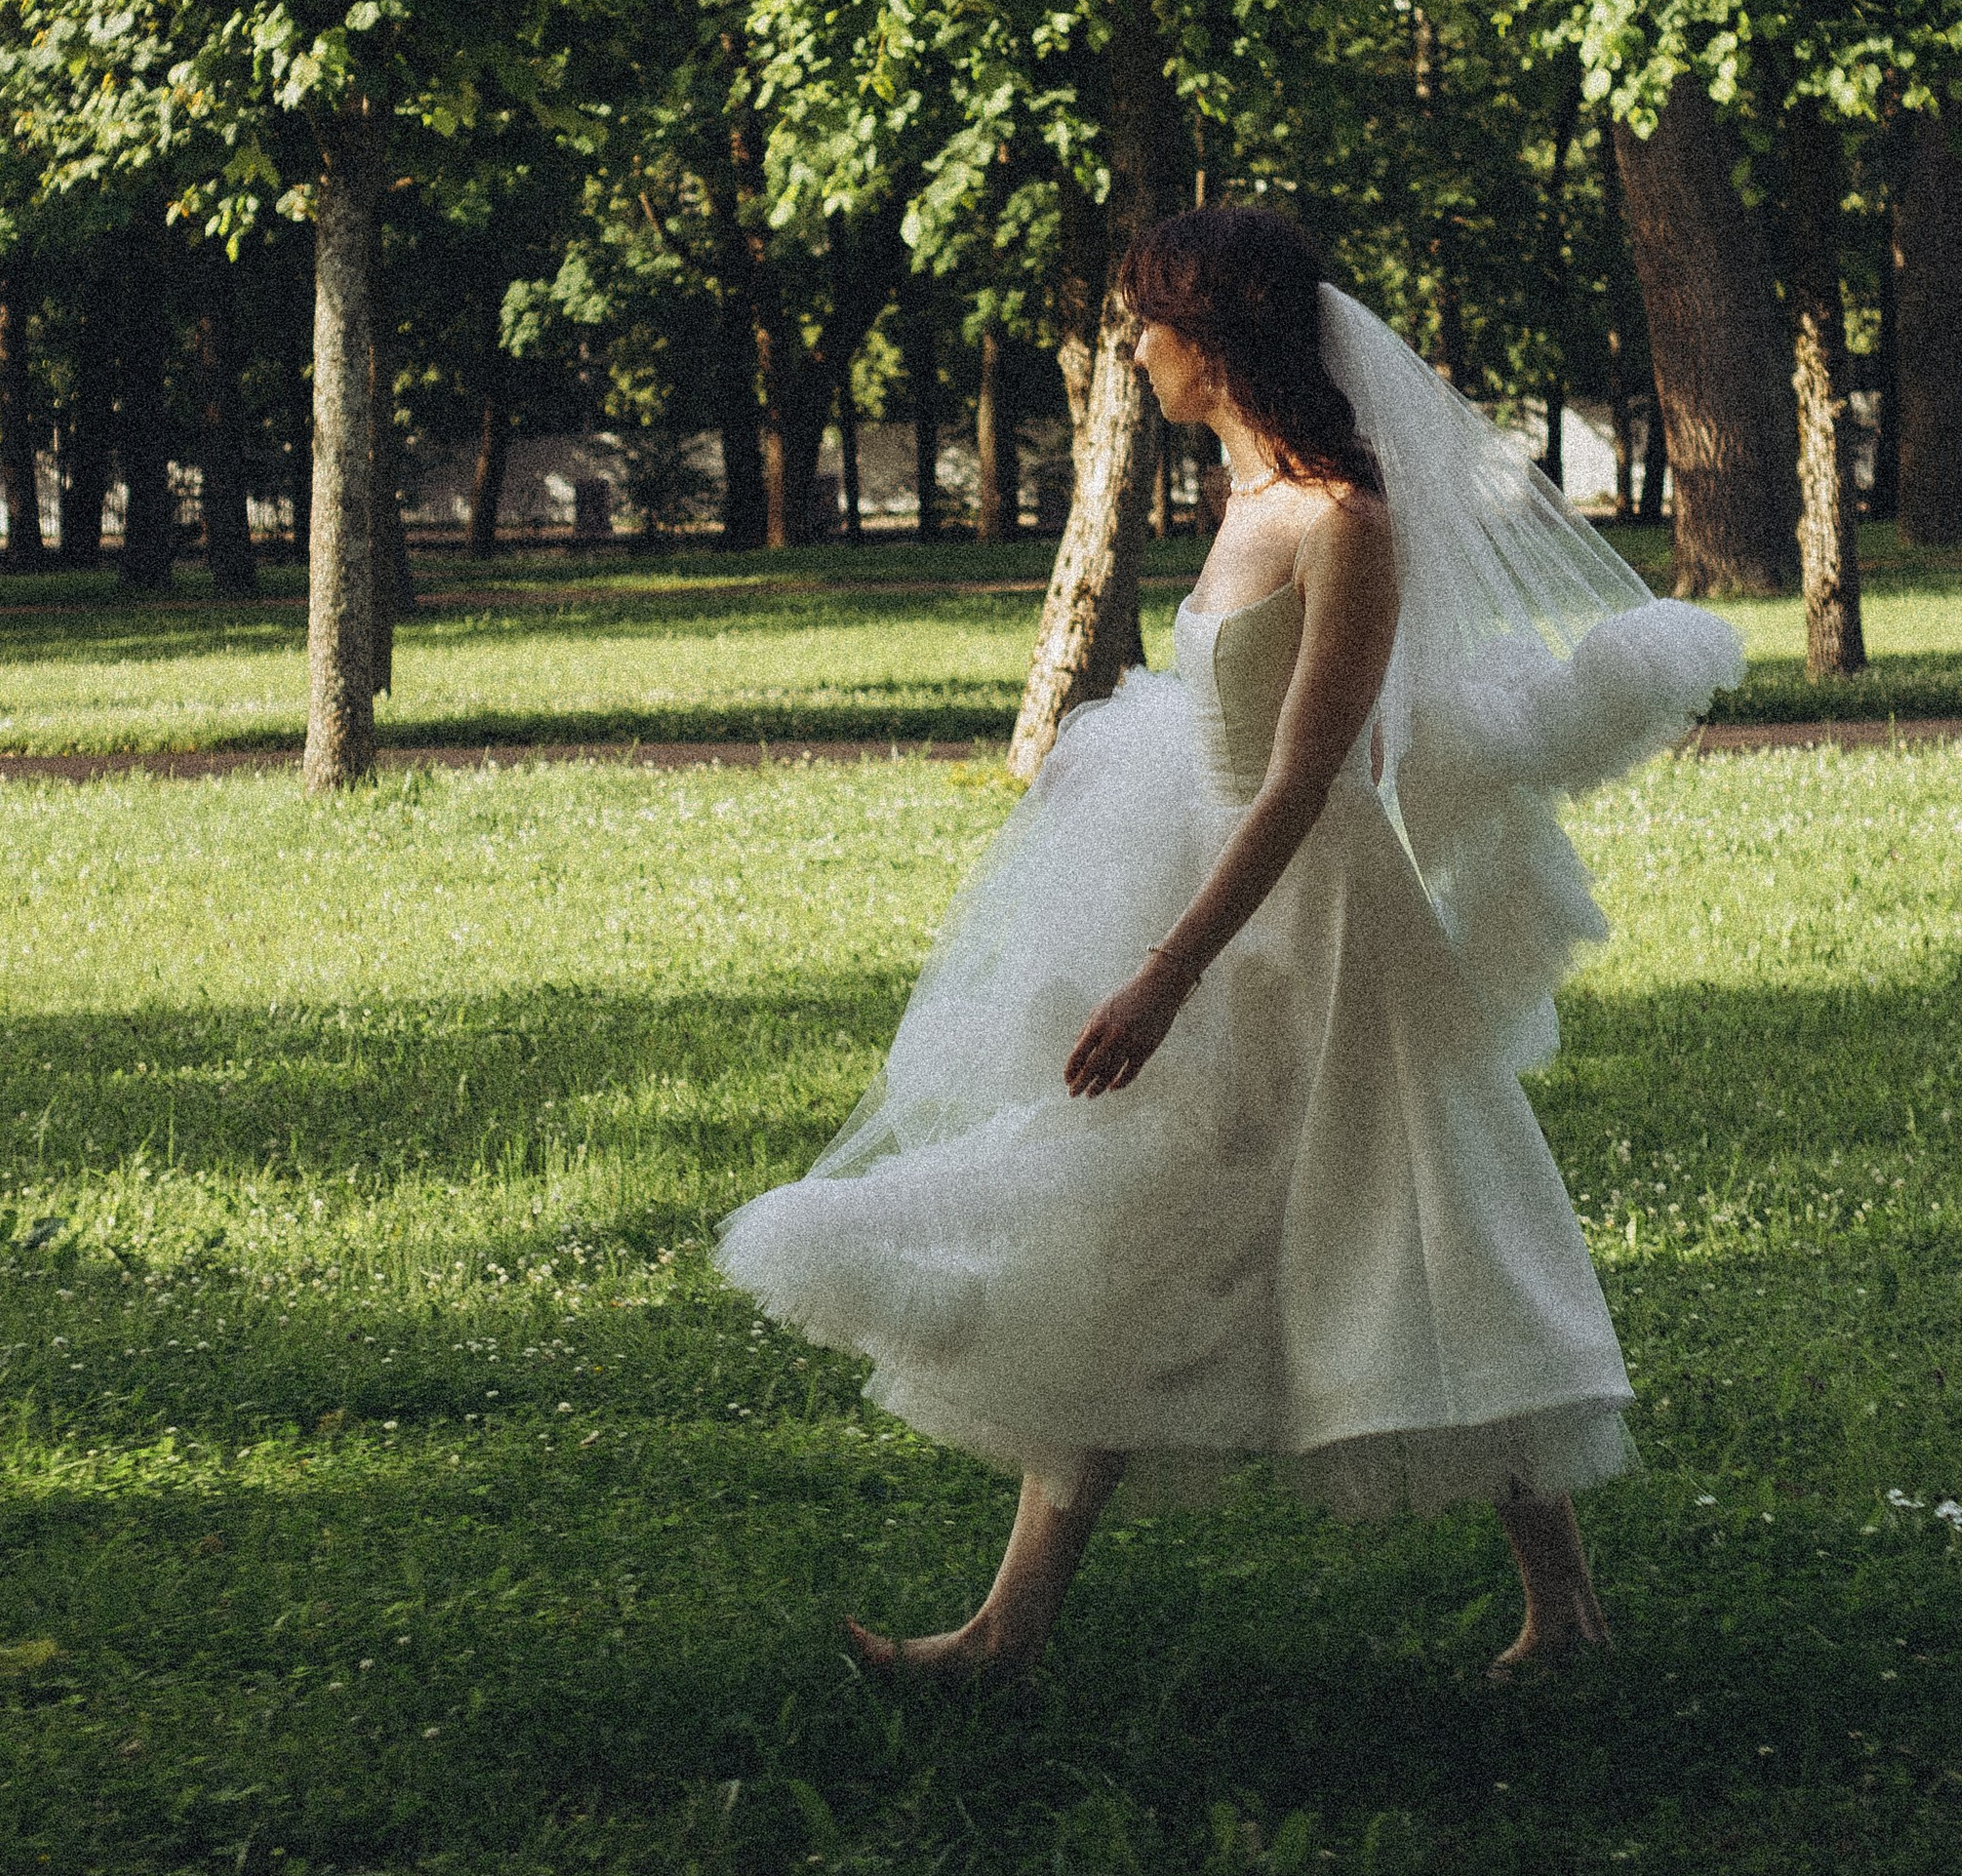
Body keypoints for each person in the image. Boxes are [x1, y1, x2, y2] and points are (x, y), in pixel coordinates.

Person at [717, 206, 1743, 1680]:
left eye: (1153, 323)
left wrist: (1164, 974)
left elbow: (1306, 781)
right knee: (1142, 1231)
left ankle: (1566, 1612)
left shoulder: (1348, 526)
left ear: (1222, 343)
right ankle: (1008, 1628)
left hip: (1317, 928)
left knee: (1425, 1235)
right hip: (1213, 897)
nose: (1135, 350)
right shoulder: (1245, 500)